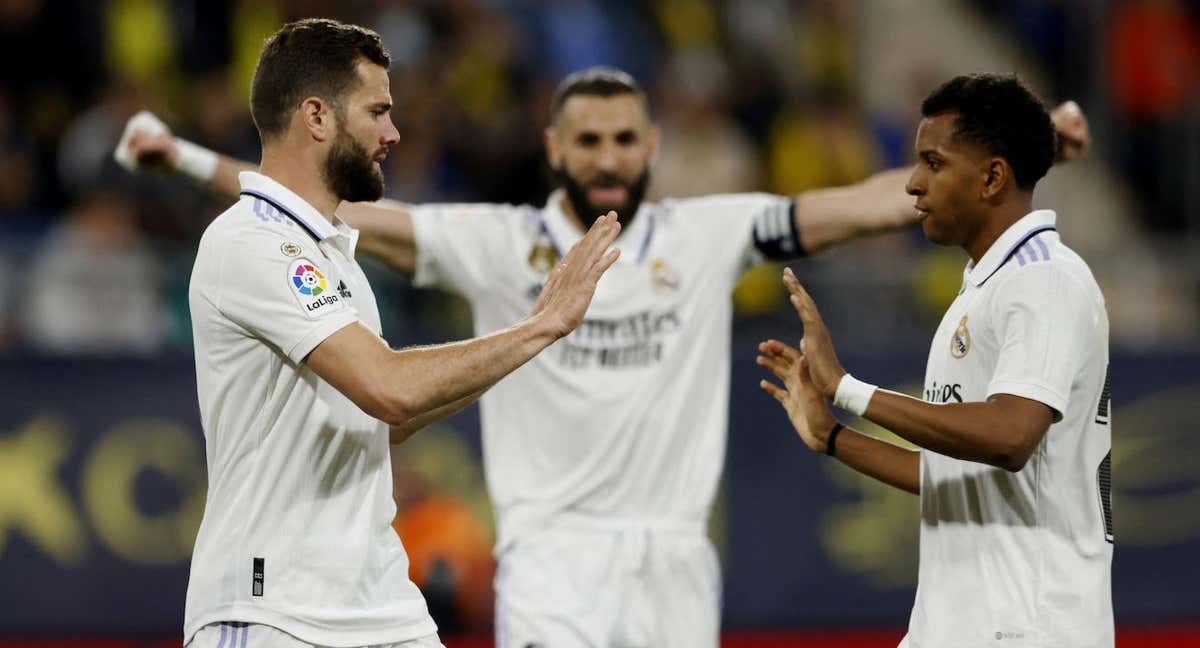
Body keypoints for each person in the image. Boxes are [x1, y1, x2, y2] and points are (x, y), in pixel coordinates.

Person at [118, 67, 1090, 648]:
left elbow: (878, 198)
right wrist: (195, 162)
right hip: (552, 557)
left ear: (652, 142)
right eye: (588, 140)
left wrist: (1032, 141)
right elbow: (326, 206)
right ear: (554, 145)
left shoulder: (708, 233)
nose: (609, 156)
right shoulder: (498, 243)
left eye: (626, 137)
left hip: (674, 559)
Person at [179, 20, 621, 648]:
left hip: (379, 603)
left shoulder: (337, 259)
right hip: (275, 611)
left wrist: (524, 338)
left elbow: (382, 419)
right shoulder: (251, 242)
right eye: (378, 111)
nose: (392, 133)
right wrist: (542, 326)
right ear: (317, 116)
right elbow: (390, 389)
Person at [757, 74, 1112, 648]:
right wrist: (833, 436)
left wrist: (847, 387)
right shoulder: (985, 287)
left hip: (1028, 628)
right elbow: (957, 476)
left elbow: (1010, 436)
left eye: (933, 163)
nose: (914, 185)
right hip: (960, 624)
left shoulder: (1044, 278)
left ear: (993, 176)